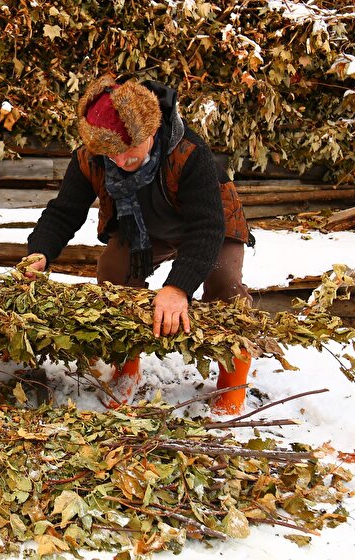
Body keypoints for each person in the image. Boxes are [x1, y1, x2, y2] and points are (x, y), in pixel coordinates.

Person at [22, 74, 253, 414]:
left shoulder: (189, 152)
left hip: (211, 226)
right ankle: (127, 364)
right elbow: (64, 212)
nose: (119, 162)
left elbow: (206, 227)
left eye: (127, 151)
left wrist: (177, 287)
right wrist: (40, 251)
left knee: (225, 286)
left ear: (149, 131)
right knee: (113, 272)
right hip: (143, 229)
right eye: (109, 154)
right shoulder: (90, 157)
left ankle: (235, 375)